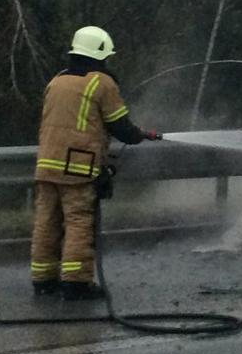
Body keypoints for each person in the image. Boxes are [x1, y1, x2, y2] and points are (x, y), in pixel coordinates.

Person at [30, 26, 158, 301]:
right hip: (77, 167)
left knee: (46, 222)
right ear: (100, 53)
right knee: (79, 222)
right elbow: (120, 126)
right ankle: (76, 283)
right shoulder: (101, 83)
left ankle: (43, 280)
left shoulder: (56, 81)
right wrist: (139, 135)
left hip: (46, 164)